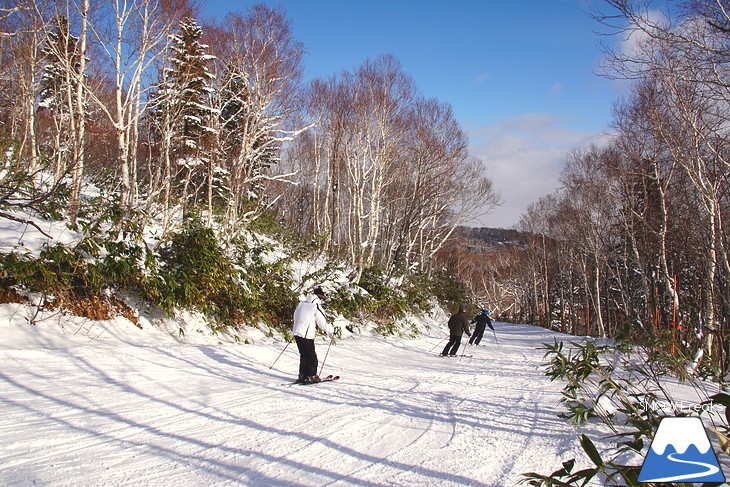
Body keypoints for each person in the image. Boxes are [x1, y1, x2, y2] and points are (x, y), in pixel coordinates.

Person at [292, 287, 335, 384]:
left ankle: (302, 375)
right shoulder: (315, 306)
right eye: (323, 298)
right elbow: (323, 324)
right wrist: (333, 330)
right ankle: (311, 376)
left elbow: (295, 316)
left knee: (304, 355)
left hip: (297, 332)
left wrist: (298, 326)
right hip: (306, 335)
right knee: (311, 356)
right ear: (320, 297)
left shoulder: (301, 304)